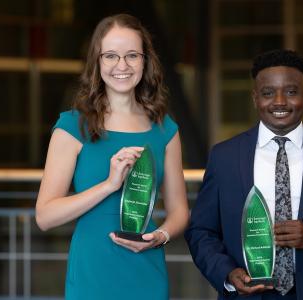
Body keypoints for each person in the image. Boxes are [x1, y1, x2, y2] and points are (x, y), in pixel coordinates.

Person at [184, 49, 303, 299]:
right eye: (267, 93)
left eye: (291, 92)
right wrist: (228, 273)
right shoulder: (224, 157)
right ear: (255, 98)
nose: (279, 102)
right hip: (247, 293)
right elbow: (201, 232)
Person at [35, 14, 189, 300]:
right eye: (111, 56)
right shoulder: (72, 126)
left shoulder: (165, 129)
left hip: (147, 269)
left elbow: (179, 211)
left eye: (132, 55)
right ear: (97, 62)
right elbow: (45, 216)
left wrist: (161, 236)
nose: (122, 65)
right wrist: (109, 184)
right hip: (92, 273)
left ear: (145, 61)